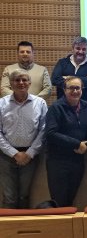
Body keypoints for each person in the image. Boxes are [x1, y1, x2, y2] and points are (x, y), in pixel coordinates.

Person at [0, 69, 47, 208]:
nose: (21, 83)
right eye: (17, 80)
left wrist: (29, 153)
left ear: (30, 83)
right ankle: (8, 229)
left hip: (30, 156)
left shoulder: (40, 103)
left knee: (24, 196)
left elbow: (43, 130)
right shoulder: (1, 104)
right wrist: (14, 153)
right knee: (9, 197)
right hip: (5, 156)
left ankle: (23, 228)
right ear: (11, 83)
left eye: (24, 80)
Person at [45, 76, 87, 207]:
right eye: (71, 88)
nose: (75, 91)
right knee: (59, 202)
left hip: (77, 161)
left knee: (71, 200)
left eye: (78, 88)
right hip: (58, 162)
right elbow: (50, 133)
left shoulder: (86, 106)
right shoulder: (56, 108)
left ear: (82, 90)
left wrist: (86, 145)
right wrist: (76, 144)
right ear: (64, 90)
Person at [51, 36, 87, 108]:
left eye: (84, 49)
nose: (80, 51)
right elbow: (55, 80)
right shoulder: (62, 63)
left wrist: (67, 78)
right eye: (78, 48)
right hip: (63, 107)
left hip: (85, 108)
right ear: (72, 48)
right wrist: (84, 79)